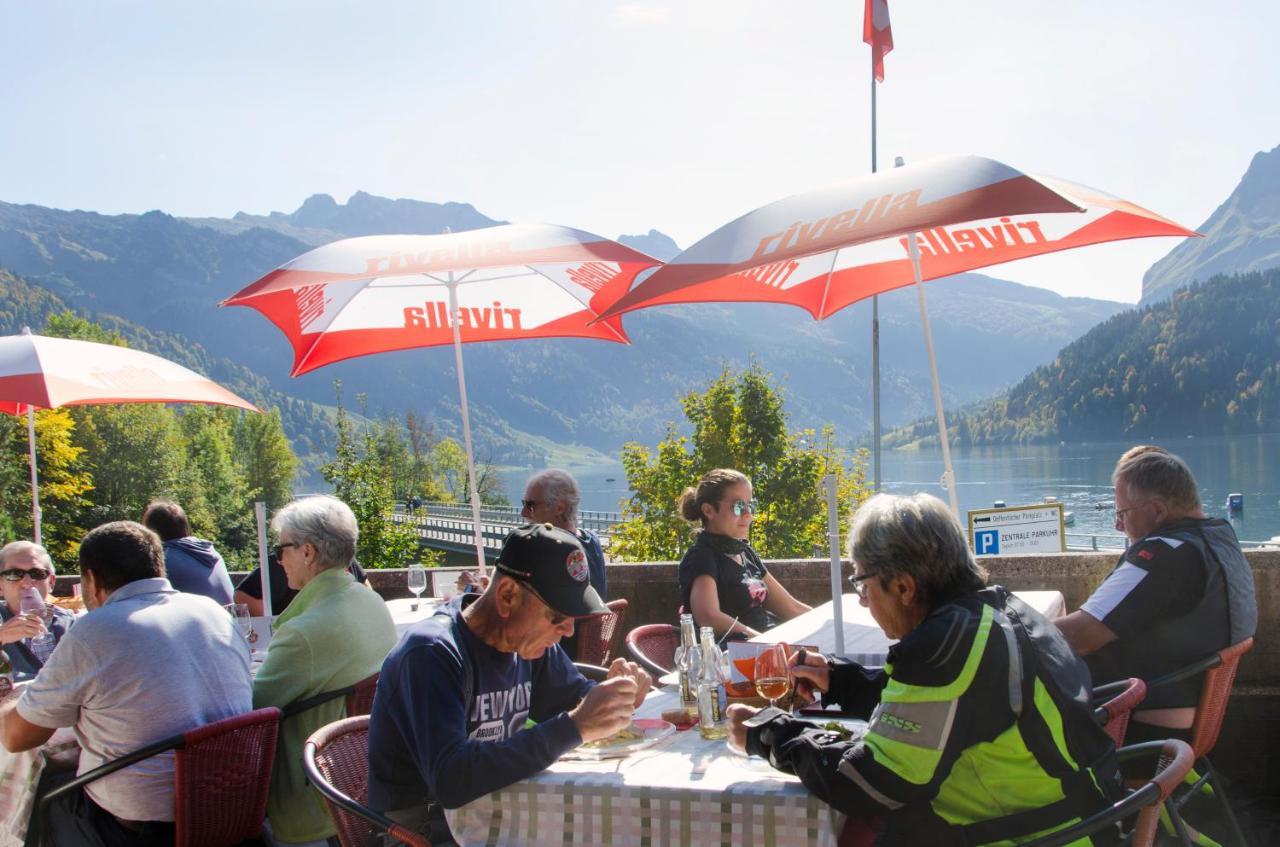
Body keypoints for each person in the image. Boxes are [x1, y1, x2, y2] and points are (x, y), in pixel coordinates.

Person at [728, 493, 1122, 846]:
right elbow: (942, 707)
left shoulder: (943, 648)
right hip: (1085, 816)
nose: (863, 602)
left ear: (903, 588)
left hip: (1036, 835)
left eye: (863, 585)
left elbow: (871, 782)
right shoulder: (995, 612)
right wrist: (840, 680)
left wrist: (767, 733)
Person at [368, 522, 651, 844]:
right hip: (423, 831)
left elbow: (574, 700)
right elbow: (451, 779)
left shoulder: (526, 643)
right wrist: (577, 726)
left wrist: (616, 695)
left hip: (501, 812)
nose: (569, 631)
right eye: (557, 617)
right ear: (507, 596)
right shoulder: (432, 652)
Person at [0, 521, 250, 847]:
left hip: (138, 826)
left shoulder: (95, 629)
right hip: (228, 802)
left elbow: (17, 737)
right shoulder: (214, 613)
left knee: (45, 788)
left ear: (91, 580)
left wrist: (9, 701)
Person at [1055, 446, 1257, 746]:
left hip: (1137, 730)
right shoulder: (1219, 537)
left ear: (1158, 511)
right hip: (1189, 721)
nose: (1117, 525)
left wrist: (1009, 631)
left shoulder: (1164, 555)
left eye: (1122, 512)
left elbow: (1078, 636)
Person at [251, 495, 397, 846]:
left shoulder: (305, 632)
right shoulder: (371, 602)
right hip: (363, 787)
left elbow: (249, 711)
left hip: (312, 799)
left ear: (307, 552)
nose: (278, 559)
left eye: (282, 549)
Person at [677, 468, 809, 639]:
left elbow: (791, 608)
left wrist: (831, 621)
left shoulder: (745, 552)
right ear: (708, 510)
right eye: (738, 507)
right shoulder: (702, 557)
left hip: (770, 645)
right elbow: (709, 617)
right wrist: (766, 642)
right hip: (739, 656)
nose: (748, 514)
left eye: (751, 506)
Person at [521, 468, 608, 657]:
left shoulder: (547, 548)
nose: (524, 513)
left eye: (531, 505)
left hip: (553, 653)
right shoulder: (592, 541)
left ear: (559, 508)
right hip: (591, 653)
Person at [0, 541, 76, 678]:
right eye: (14, 574)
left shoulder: (72, 625)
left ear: (51, 582)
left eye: (37, 574)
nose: (27, 583)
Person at [141, 499, 235, 605]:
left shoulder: (164, 560)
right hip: (228, 619)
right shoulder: (210, 552)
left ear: (152, 532)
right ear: (184, 527)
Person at [234, 552, 368, 616]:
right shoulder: (278, 565)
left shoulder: (341, 558)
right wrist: (277, 625)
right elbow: (242, 596)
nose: (280, 560)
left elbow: (366, 591)